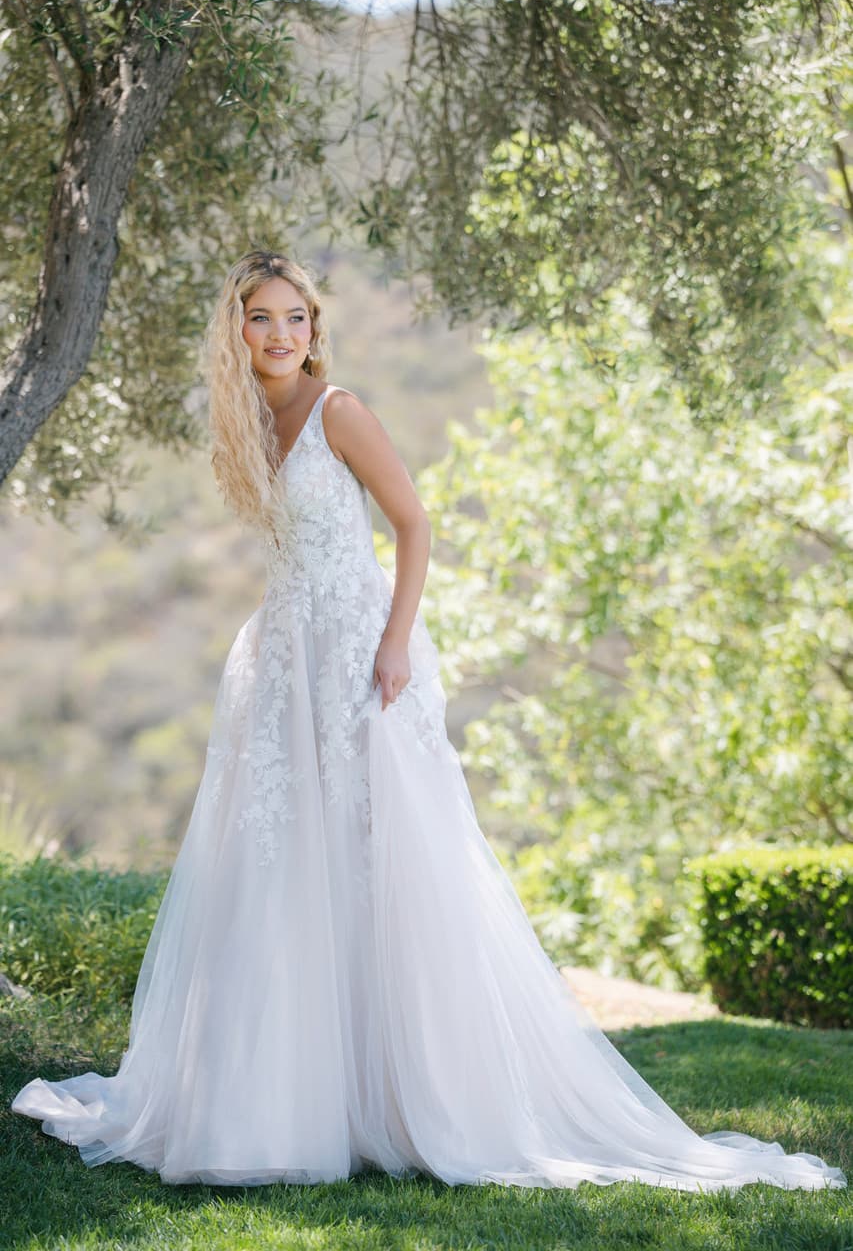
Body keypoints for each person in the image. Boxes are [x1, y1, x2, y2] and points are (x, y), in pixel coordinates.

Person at [11, 250, 846, 1193]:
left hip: (360, 652)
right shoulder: (246, 422)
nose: (280, 333)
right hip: (282, 658)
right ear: (235, 331)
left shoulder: (338, 412)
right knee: (287, 862)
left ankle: (419, 1093)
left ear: (314, 328)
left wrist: (395, 644)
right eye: (260, 318)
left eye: (294, 317)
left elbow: (412, 523)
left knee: (388, 855)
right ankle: (285, 1097)